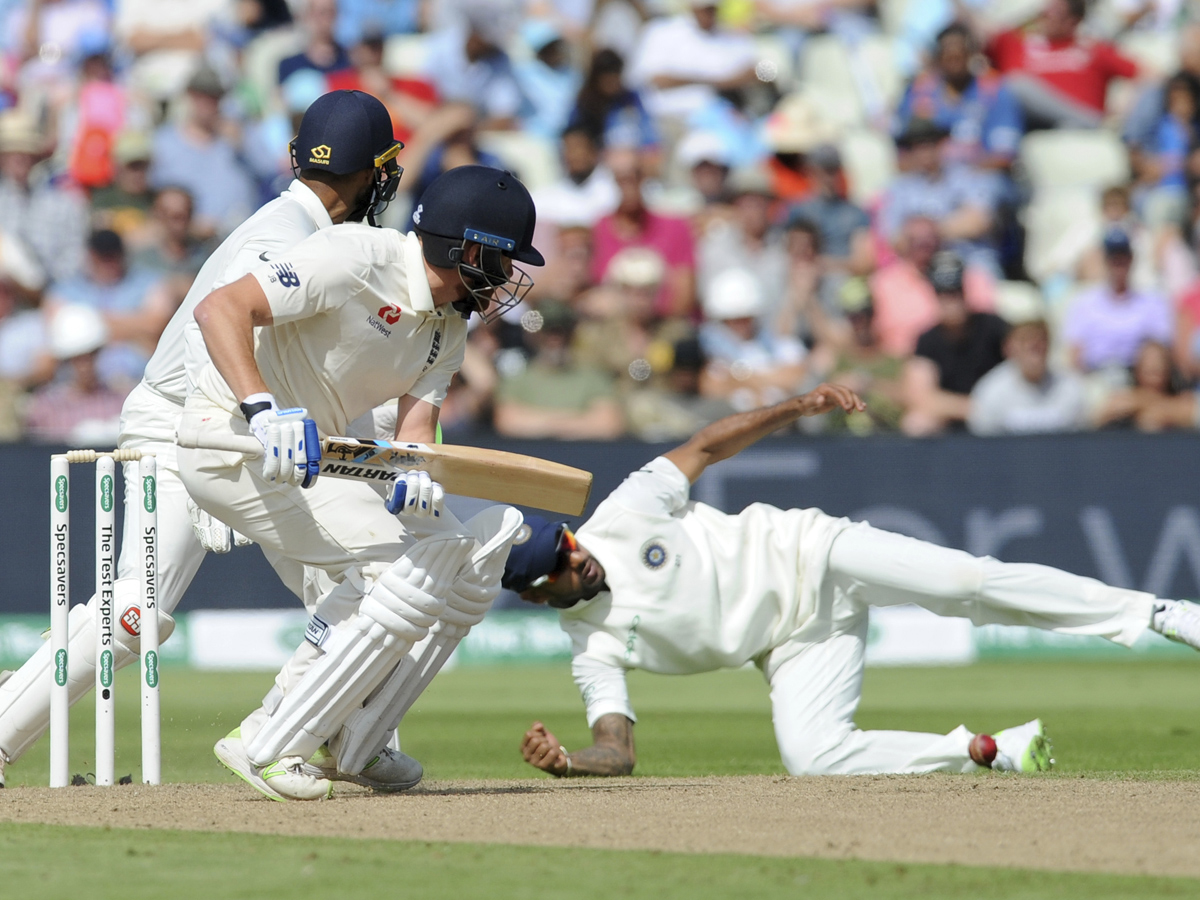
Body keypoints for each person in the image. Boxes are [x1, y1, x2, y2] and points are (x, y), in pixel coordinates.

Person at [0, 90, 405, 790]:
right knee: (134, 615)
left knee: (354, 578)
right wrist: (254, 416)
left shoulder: (324, 237)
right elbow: (206, 340)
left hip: (257, 429)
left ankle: (345, 740)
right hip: (182, 429)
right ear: (372, 173)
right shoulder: (279, 237)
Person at [511, 384, 1200, 779]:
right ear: (539, 596)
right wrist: (571, 762)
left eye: (567, 544)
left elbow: (705, 448)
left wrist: (798, 406)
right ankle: (987, 750)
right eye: (560, 569)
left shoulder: (622, 514)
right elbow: (617, 749)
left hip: (813, 551)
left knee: (966, 581)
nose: (579, 559)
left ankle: (1161, 613)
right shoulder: (591, 649)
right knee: (812, 756)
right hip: (792, 645)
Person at [176, 162, 543, 801]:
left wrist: (417, 471)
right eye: (505, 260)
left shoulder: (448, 328)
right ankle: (266, 735)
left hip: (315, 457)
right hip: (231, 439)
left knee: (454, 558)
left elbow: (415, 430)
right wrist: (264, 409)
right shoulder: (356, 257)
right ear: (468, 248)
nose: (510, 279)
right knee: (392, 574)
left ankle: (356, 738)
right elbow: (220, 308)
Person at [902, 251, 1008, 436]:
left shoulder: (994, 328)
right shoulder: (928, 340)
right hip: (955, 419)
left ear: (964, 290)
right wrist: (976, 409)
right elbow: (921, 397)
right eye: (943, 292)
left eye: (955, 290)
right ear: (934, 293)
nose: (951, 299)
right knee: (916, 423)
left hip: (1000, 417)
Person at [968, 317, 1088, 436]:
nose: (1034, 346)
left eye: (1040, 341)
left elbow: (1080, 438)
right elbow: (984, 443)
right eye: (1025, 340)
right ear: (1008, 348)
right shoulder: (991, 390)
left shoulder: (1070, 386)